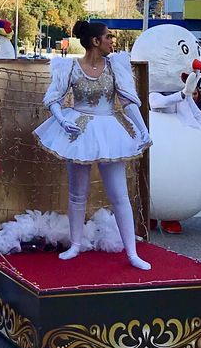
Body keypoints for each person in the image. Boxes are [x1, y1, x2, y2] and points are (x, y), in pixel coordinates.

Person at [34, 19, 152, 269]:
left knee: (119, 194)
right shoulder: (69, 67)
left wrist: (143, 130)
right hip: (78, 129)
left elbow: (128, 102)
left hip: (110, 129)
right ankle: (75, 244)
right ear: (96, 41)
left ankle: (131, 252)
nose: (112, 41)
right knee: (78, 192)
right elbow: (53, 98)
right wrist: (61, 119)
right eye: (108, 37)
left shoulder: (116, 65)